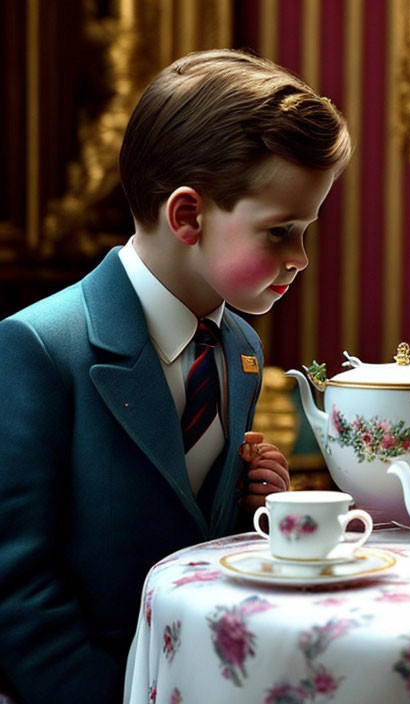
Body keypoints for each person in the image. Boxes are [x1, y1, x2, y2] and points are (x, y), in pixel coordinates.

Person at [0, 49, 352, 703]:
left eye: (306, 231)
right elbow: (14, 588)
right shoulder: (38, 348)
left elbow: (192, 530)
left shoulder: (242, 348)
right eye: (280, 232)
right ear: (187, 216)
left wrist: (245, 505)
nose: (300, 258)